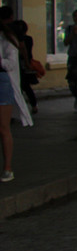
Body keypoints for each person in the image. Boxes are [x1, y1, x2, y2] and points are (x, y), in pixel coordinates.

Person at [0, 20, 33, 182]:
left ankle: (7, 167)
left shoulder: (6, 39)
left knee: (3, 127)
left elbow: (11, 64)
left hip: (2, 82)